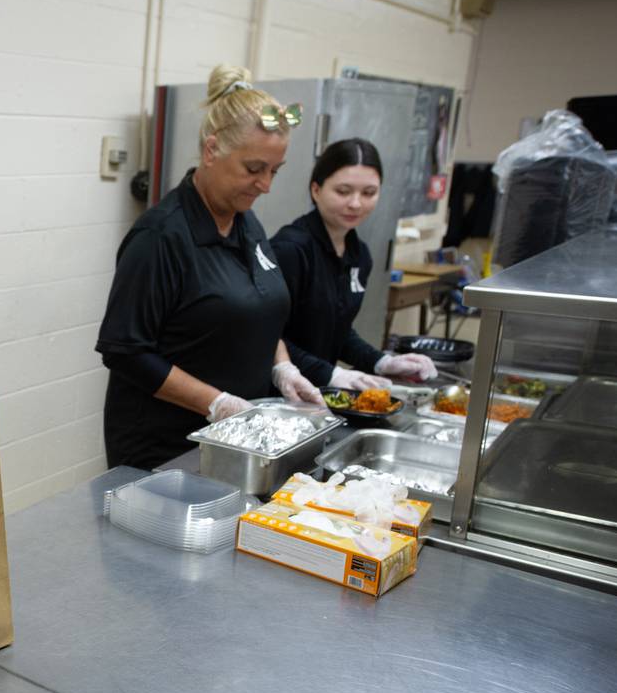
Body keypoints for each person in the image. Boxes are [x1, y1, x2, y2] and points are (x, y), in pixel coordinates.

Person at [96, 65, 323, 470]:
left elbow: (259, 308)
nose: (266, 185)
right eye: (254, 169)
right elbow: (126, 352)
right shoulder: (161, 237)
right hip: (165, 449)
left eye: (275, 170)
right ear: (211, 150)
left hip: (235, 443)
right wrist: (215, 403)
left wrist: (282, 366)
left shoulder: (246, 223)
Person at [271, 138, 438, 390]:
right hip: (280, 390)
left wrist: (381, 362)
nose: (356, 203)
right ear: (316, 190)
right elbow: (269, 335)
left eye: (368, 193)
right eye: (343, 191)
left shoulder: (359, 255)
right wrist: (331, 374)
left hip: (319, 390)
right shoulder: (290, 249)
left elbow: (339, 331)